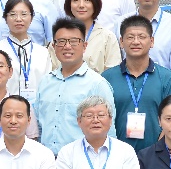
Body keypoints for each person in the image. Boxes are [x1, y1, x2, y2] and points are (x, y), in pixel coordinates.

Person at [36, 18, 116, 155]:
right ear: (54, 46)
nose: (67, 46)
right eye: (61, 41)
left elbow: (108, 130)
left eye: (74, 41)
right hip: (46, 160)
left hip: (81, 160)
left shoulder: (97, 84)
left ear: (84, 46)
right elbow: (38, 125)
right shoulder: (45, 82)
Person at [103, 15, 171, 150]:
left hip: (156, 155)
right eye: (130, 37)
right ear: (121, 42)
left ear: (151, 41)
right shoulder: (107, 78)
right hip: (115, 154)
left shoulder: (167, 78)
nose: (136, 42)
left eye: (141, 37)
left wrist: (156, 152)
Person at [0, 0, 52, 105]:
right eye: (13, 14)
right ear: (5, 18)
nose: (18, 19)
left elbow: (48, 86)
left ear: (31, 18)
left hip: (36, 109)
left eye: (24, 14)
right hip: (4, 109)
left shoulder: (43, 52)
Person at [53, 0, 121, 73]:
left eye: (87, 0)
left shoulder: (107, 37)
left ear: (95, 3)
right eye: (75, 0)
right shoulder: (58, 37)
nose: (81, 5)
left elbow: (112, 74)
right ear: (69, 4)